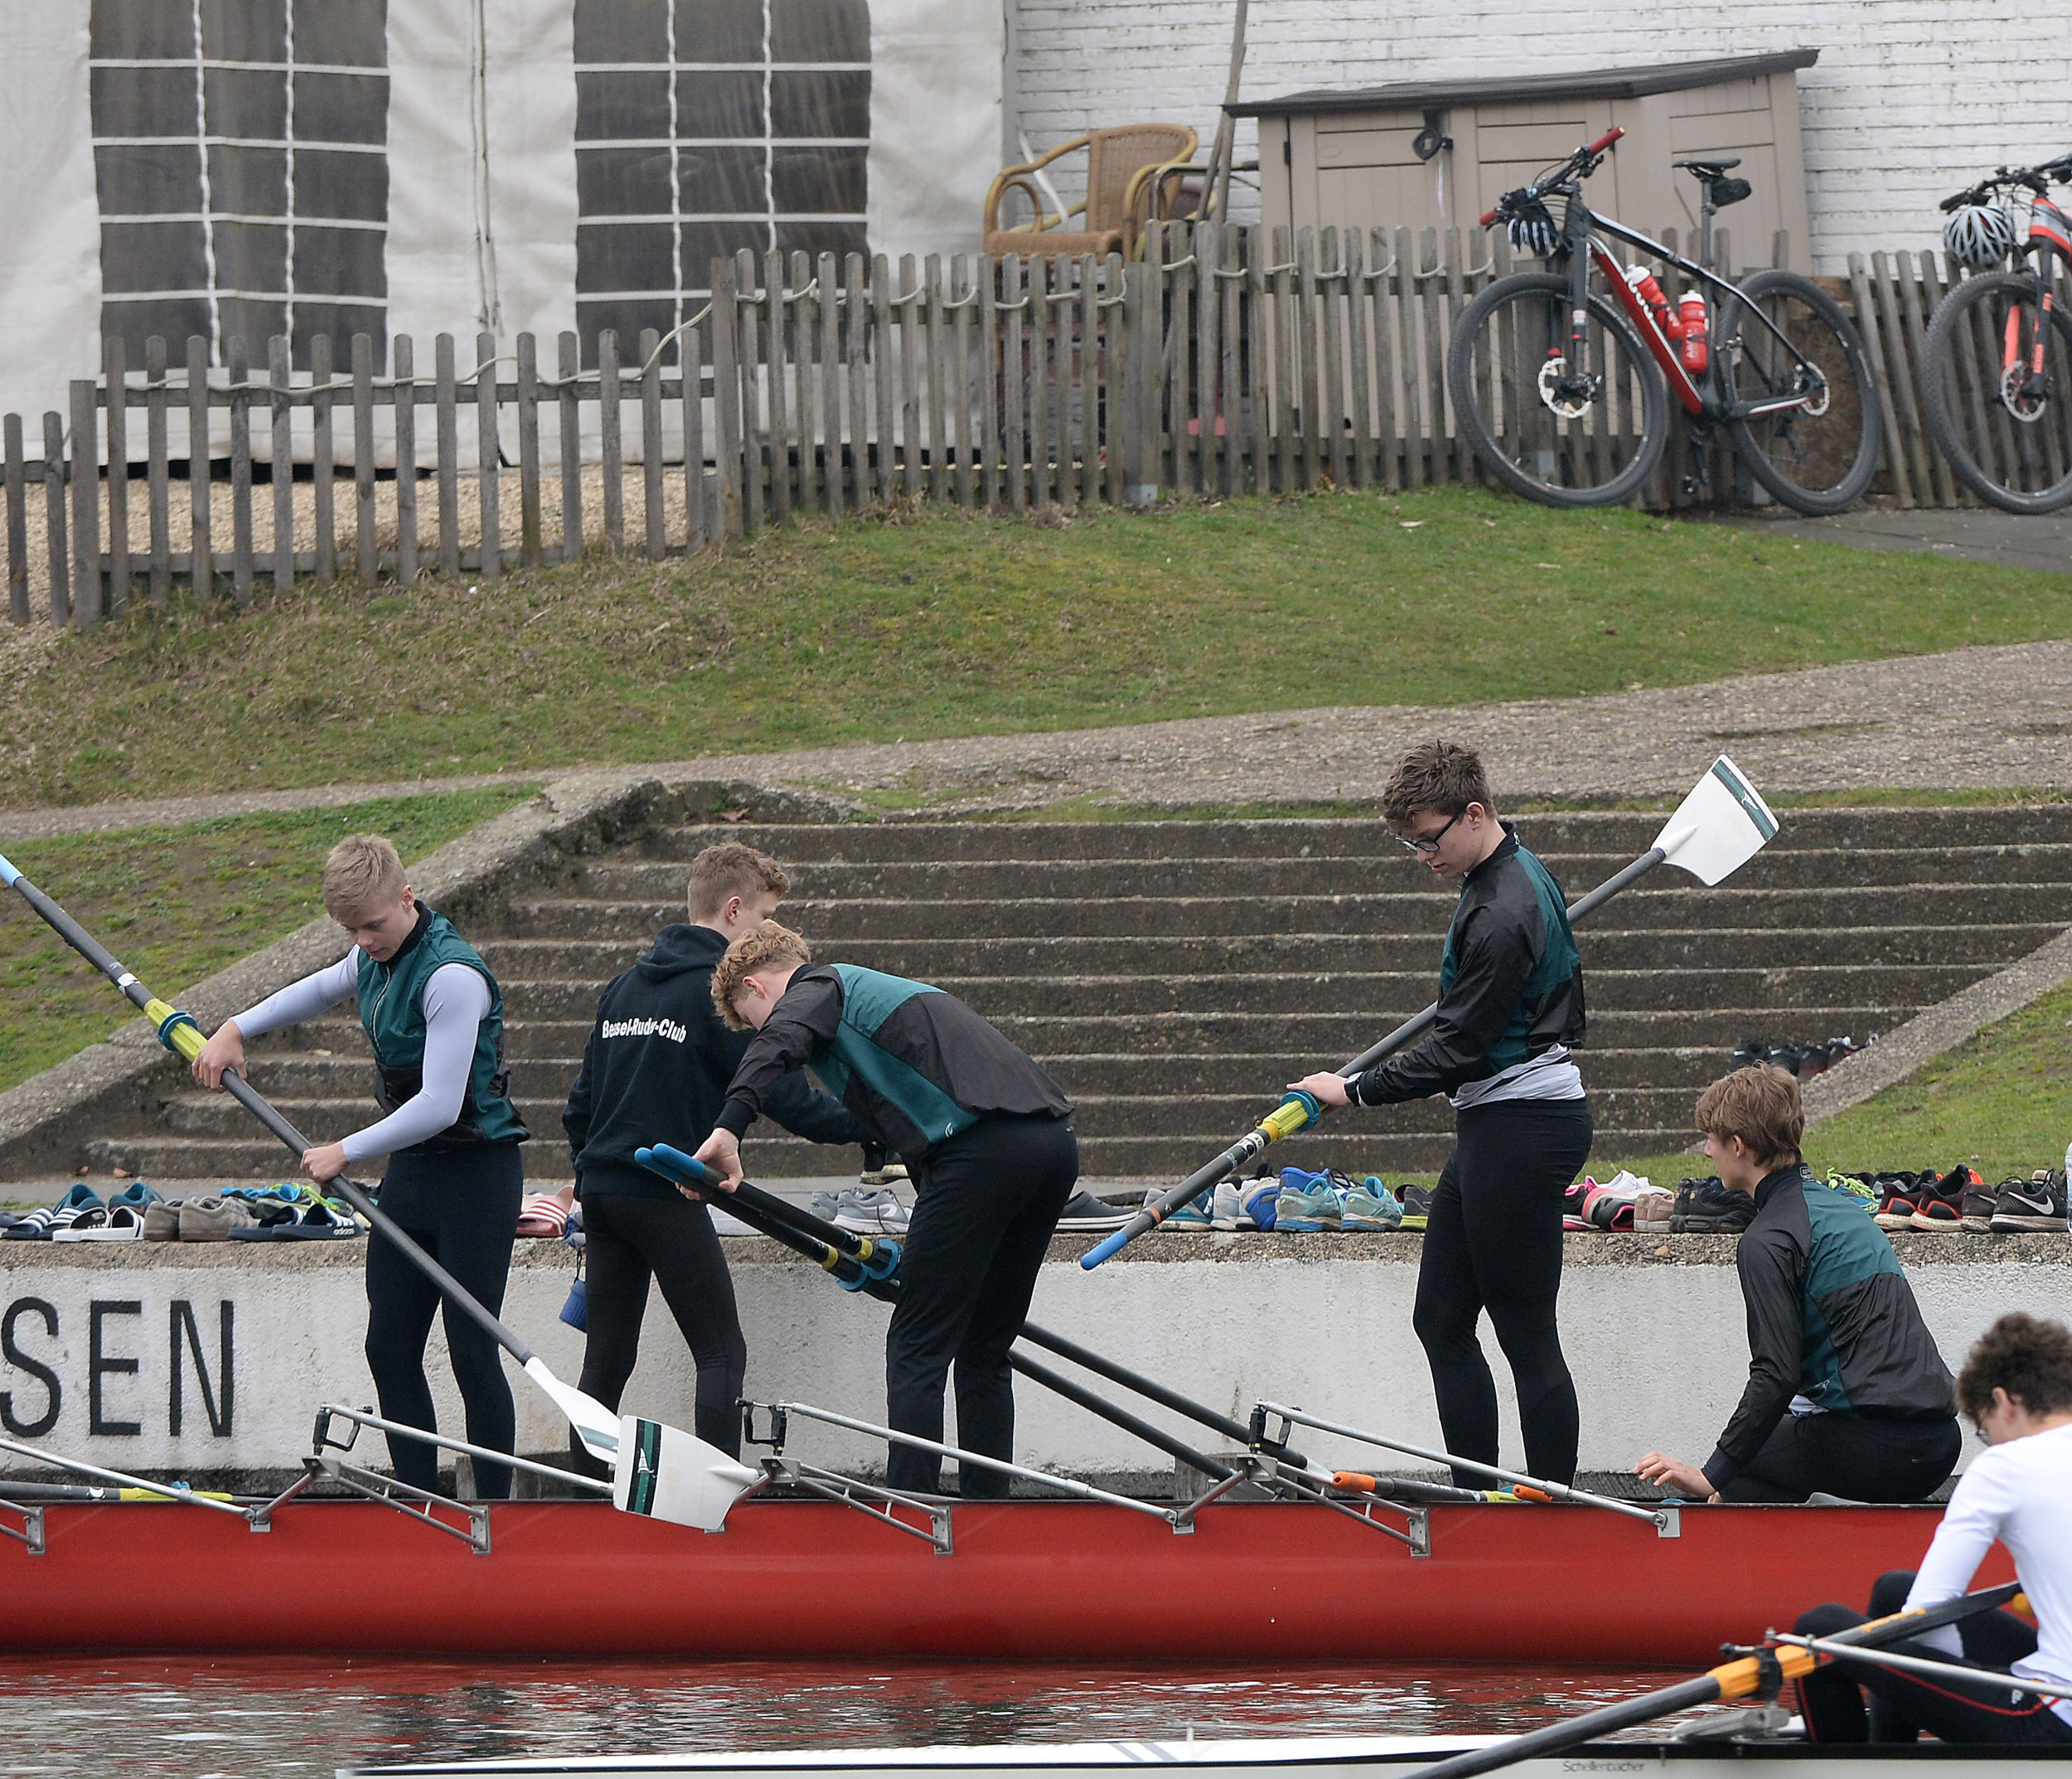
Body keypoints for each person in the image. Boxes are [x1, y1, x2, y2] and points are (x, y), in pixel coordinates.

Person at [1289, 739, 1592, 1487]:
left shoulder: (1501, 910)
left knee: (1526, 1334)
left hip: (1523, 1125)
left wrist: (1354, 1091)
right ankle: (1476, 1498)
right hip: (1497, 1122)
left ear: (1476, 813)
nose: (1422, 854)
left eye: (1429, 838)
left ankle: (1556, 1513)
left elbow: (1456, 1050)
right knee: (1442, 1319)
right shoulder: (1506, 875)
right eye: (1409, 842)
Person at [688, 920, 1076, 1497]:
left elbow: (780, 1041)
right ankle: (992, 1516)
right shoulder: (870, 999)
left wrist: (729, 1127)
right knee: (983, 1347)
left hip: (979, 1155)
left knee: (916, 1345)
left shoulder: (819, 987)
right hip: (1050, 1145)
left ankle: (912, 1512)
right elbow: (862, 1116)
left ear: (758, 986)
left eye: (750, 1021)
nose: (760, 1035)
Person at [191, 835, 527, 1498]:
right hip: (416, 1176)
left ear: (407, 898)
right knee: (390, 1348)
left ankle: (493, 1508)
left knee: (470, 1352)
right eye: (351, 929)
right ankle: (416, 1499)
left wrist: (346, 1150)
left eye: (373, 925)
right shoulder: (370, 956)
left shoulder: (451, 977)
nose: (364, 940)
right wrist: (234, 1028)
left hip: (477, 1178)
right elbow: (315, 991)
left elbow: (438, 1103)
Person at [560, 841, 871, 1471]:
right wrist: (874, 1126)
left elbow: (579, 1105)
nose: (768, 935)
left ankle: (582, 1500)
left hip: (603, 1190)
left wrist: (591, 1178)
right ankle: (713, 1497)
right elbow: (788, 1100)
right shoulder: (717, 997)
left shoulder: (623, 987)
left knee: (607, 1359)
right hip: (664, 1188)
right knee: (720, 1350)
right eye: (764, 919)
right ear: (735, 912)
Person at [1635, 1065, 1959, 1505]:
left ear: (1738, 1145)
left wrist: (1711, 1475)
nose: (1707, 1151)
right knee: (1752, 1453)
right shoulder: (1841, 1209)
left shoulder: (1768, 1238)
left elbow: (1776, 1374)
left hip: (1883, 1450)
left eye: (1711, 1139)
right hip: (1941, 1443)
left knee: (1737, 1464)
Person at [1790, 1311, 2072, 1746]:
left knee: (1819, 1630)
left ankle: (1866, 1771)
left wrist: (1950, 1690)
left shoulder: (2005, 1467)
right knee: (1894, 1589)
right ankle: (1891, 1755)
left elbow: (1927, 1616)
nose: (1991, 1443)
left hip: (2051, 1719)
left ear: (2005, 1403)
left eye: (1985, 1429)